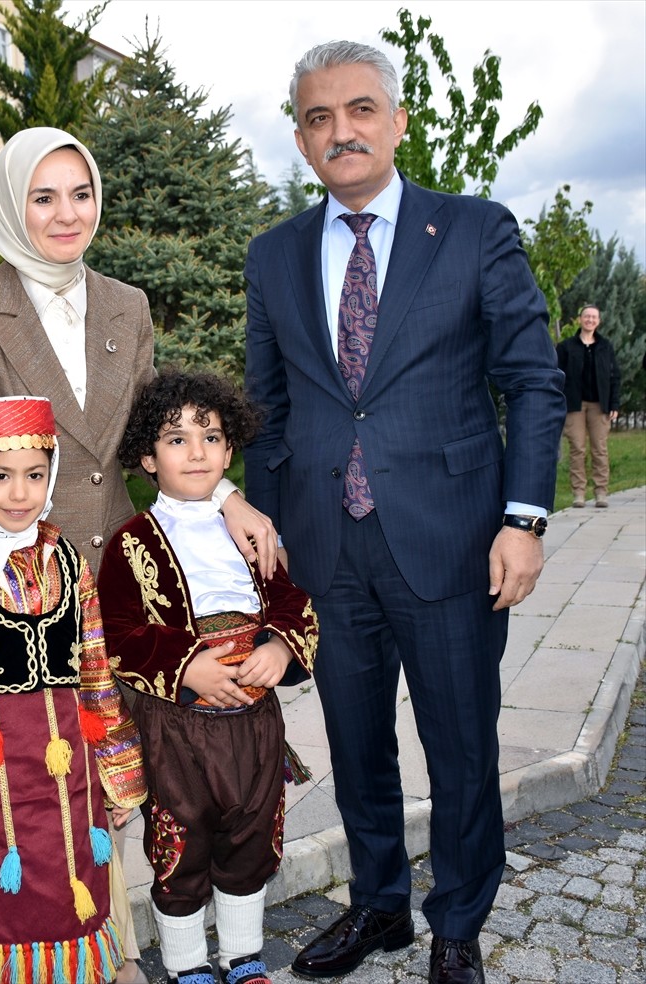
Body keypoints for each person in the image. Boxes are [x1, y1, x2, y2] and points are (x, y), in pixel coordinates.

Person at [0, 125, 278, 980]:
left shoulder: (127, 304)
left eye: (80, 194)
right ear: (13, 206)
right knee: (29, 790)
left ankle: (108, 947)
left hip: (114, 579)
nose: (66, 214)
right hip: (17, 585)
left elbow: (157, 434)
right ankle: (14, 958)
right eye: (43, 197)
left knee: (122, 773)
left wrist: (226, 496)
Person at [242, 41, 566, 984]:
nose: (340, 131)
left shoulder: (473, 229)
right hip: (323, 549)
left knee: (460, 745)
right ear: (301, 137)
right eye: (318, 117)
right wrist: (267, 546)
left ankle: (458, 922)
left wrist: (525, 520)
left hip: (453, 541)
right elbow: (266, 414)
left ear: (397, 120)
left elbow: (533, 383)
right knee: (355, 743)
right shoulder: (274, 254)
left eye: (359, 110)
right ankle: (378, 904)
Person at [0, 395, 148, 984]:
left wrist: (120, 773)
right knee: (1, 904)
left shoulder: (68, 563)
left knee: (77, 885)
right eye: (1, 476)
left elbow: (95, 674)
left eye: (35, 475)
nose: (20, 493)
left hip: (73, 774)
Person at [97, 373, 319, 984]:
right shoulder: (131, 543)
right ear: (148, 458)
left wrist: (280, 647)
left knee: (252, 837)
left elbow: (292, 600)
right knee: (181, 843)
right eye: (177, 439)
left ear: (228, 452)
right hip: (177, 729)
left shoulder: (249, 530)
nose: (196, 452)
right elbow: (117, 632)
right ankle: (186, 964)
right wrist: (186, 664)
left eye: (211, 437)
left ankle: (243, 957)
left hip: (254, 723)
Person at [556, 304, 621, 507]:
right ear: (580, 319)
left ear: (598, 321)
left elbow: (614, 377)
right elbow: (556, 375)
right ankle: (579, 493)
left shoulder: (605, 346)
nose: (590, 320)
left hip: (599, 405)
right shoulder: (566, 347)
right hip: (574, 405)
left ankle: (601, 492)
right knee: (577, 448)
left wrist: (614, 403)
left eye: (594, 317)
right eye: (587, 316)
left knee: (599, 449)